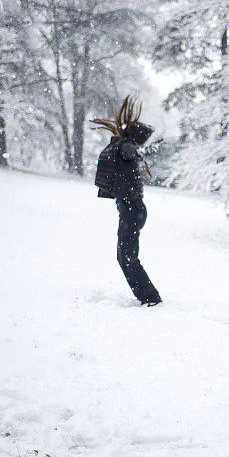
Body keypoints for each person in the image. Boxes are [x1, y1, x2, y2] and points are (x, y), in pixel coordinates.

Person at [91, 96, 162, 307]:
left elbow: (132, 151)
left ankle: (151, 298)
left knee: (126, 258)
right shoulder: (123, 145)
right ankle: (148, 296)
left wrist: (143, 150)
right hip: (131, 209)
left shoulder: (126, 148)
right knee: (125, 257)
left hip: (132, 210)